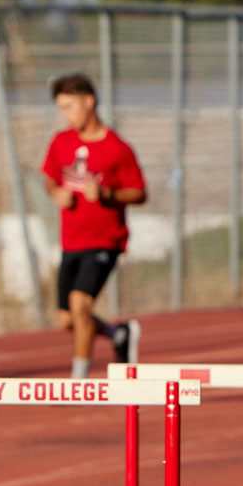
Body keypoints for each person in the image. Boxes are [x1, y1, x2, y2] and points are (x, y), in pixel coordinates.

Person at [40, 73, 146, 378]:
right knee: (67, 319)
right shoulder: (61, 142)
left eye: (69, 106)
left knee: (80, 304)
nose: (65, 114)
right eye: (61, 108)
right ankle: (117, 334)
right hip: (71, 241)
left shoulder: (117, 148)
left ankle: (78, 382)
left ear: (90, 102)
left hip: (104, 241)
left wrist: (107, 193)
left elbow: (139, 192)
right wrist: (56, 191)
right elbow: (49, 177)